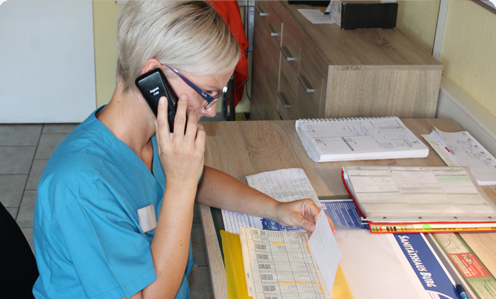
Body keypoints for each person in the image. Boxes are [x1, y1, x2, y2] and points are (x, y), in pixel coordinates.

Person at [32, 1, 335, 298]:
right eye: (208, 93)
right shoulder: (83, 187)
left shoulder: (150, 133)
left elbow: (201, 181)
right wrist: (180, 184)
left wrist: (276, 209)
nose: (212, 109)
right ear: (154, 77)